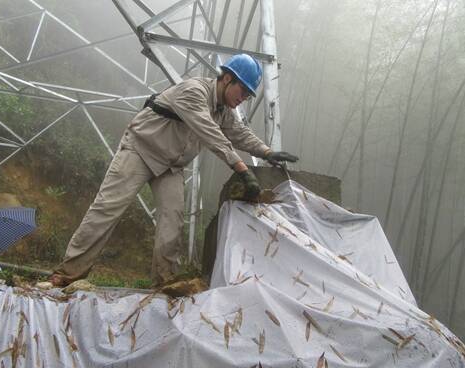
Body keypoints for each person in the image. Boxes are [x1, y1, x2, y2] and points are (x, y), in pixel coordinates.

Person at [50, 54, 298, 288]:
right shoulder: (193, 91)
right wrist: (241, 168)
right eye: (242, 90)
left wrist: (266, 152)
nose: (243, 98)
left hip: (172, 167)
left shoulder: (224, 111)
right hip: (141, 150)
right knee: (107, 209)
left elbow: (239, 134)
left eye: (247, 94)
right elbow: (210, 134)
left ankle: (164, 283)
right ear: (226, 79)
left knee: (172, 222)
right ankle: (67, 275)